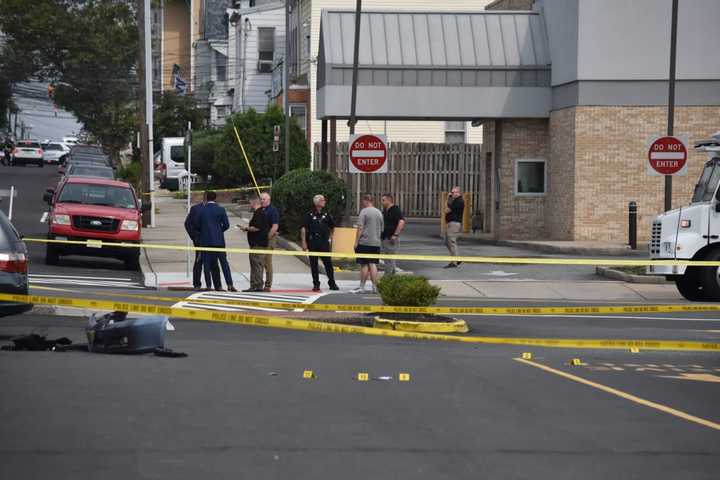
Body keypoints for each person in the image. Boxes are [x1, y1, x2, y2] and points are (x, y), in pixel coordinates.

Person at [194, 191, 237, 292]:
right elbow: (226, 225)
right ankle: (230, 284)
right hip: (219, 241)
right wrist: (218, 231)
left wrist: (204, 231)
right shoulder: (221, 210)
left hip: (205, 241)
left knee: (207, 264)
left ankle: (209, 285)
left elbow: (196, 224)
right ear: (215, 198)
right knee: (224, 263)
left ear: (206, 199)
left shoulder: (201, 210)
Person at [301, 194, 340, 292]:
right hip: (313, 241)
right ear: (317, 202)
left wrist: (331, 238)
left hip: (323, 241)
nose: (324, 201)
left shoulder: (326, 214)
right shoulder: (309, 214)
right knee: (314, 264)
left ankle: (332, 283)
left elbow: (332, 227)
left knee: (328, 263)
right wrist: (304, 242)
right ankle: (316, 284)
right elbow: (303, 228)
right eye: (322, 200)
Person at [184, 198, 219, 290]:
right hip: (199, 240)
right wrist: (195, 237)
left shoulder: (216, 208)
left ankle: (217, 285)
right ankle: (197, 284)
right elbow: (188, 224)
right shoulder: (196, 209)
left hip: (212, 240)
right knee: (199, 261)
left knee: (213, 262)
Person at [352, 195, 384, 294]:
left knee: (364, 265)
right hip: (376, 243)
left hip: (365, 242)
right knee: (373, 264)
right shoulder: (379, 213)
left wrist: (356, 241)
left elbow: (360, 227)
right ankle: (375, 286)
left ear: (366, 201)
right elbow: (382, 228)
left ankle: (362, 286)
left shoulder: (364, 212)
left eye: (363, 201)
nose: (362, 203)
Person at [239, 196, 269, 292]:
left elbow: (257, 228)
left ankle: (257, 285)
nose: (249, 204)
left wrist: (246, 228)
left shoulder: (259, 213)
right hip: (256, 244)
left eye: (250, 202)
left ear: (254, 202)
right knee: (256, 265)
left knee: (257, 265)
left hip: (258, 244)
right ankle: (255, 285)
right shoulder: (259, 213)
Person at [380, 193, 406, 276]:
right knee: (389, 259)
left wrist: (395, 235)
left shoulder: (395, 209)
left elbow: (401, 221)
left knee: (389, 260)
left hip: (391, 239)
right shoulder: (385, 210)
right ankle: (392, 278)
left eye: (383, 200)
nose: (382, 202)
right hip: (384, 238)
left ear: (389, 200)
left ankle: (387, 278)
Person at [260, 192, 279, 292]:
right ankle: (259, 283)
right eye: (261, 199)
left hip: (269, 240)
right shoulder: (261, 210)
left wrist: (267, 237)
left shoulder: (272, 210)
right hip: (260, 240)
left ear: (269, 200)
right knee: (260, 263)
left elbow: (275, 226)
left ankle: (268, 285)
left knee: (267, 263)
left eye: (264, 199)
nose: (262, 201)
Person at [444, 186, 464, 268]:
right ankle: (456, 258)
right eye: (451, 192)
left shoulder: (459, 201)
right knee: (448, 242)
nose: (451, 194)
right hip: (451, 223)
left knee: (451, 242)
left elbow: (448, 209)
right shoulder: (455, 200)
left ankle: (454, 262)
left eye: (453, 192)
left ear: (458, 193)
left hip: (454, 223)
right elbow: (447, 209)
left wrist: (449, 198)